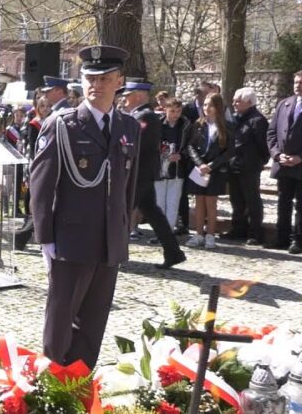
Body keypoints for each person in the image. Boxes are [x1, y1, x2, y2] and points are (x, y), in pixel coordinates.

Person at [29, 45, 140, 369]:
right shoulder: (62, 125)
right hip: (71, 241)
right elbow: (41, 185)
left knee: (93, 325)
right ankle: (50, 387)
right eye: (91, 77)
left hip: (109, 242)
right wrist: (45, 239)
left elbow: (127, 187)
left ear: (119, 81)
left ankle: (79, 386)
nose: (97, 85)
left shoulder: (128, 127)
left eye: (105, 78)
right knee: (60, 325)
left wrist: (123, 230)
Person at [121, 79, 186, 269]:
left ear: (139, 95)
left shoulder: (146, 116)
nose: (124, 99)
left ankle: (115, 254)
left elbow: (135, 144)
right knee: (152, 212)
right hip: (141, 173)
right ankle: (173, 252)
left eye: (127, 95)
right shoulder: (138, 115)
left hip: (139, 173)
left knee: (122, 212)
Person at [182, 93, 233, 249]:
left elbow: (229, 151)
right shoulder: (198, 124)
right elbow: (190, 146)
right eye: (204, 105)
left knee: (211, 203)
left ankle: (210, 234)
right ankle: (198, 234)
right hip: (199, 169)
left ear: (218, 107)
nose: (206, 108)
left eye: (210, 105)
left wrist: (211, 165)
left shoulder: (227, 126)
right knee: (199, 202)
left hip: (215, 170)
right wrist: (199, 164)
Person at [222, 87, 269, 245]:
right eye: (234, 100)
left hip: (249, 167)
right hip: (234, 165)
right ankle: (238, 228)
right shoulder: (236, 118)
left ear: (249, 103)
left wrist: (258, 162)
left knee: (252, 200)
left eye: (238, 101)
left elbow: (264, 146)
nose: (234, 103)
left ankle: (255, 232)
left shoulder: (257, 120)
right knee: (236, 199)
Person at [266, 68, 302, 254]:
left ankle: (298, 239)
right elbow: (272, 132)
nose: (298, 85)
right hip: (283, 163)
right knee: (283, 202)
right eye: (296, 82)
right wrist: (277, 154)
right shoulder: (284, 104)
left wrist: (301, 157)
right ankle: (281, 237)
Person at [156, 99, 189, 230]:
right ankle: (160, 231)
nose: (176, 114)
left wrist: (181, 155)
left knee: (173, 202)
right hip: (159, 168)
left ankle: (168, 231)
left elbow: (190, 145)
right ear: (165, 110)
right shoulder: (157, 124)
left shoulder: (185, 125)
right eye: (172, 111)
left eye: (178, 111)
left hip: (177, 169)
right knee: (159, 202)